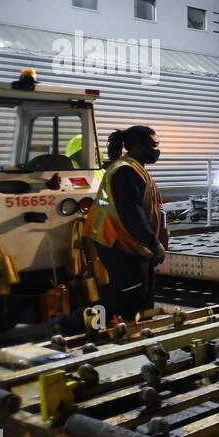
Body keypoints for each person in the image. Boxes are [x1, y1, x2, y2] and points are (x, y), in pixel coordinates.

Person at [83, 126, 167, 323]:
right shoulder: (125, 172)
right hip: (115, 241)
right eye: (152, 146)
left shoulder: (135, 169)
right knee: (127, 295)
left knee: (142, 294)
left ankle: (138, 331)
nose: (157, 151)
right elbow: (132, 214)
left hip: (130, 242)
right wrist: (154, 244)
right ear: (137, 147)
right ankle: (74, 326)